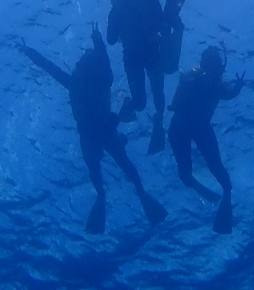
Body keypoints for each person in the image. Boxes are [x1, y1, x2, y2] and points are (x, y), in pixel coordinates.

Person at [19, 26, 168, 235]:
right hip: (106, 129)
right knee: (120, 164)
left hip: (93, 133)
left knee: (98, 167)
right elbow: (53, 66)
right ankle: (136, 193)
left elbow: (50, 67)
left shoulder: (81, 81)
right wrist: (96, 39)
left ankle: (106, 195)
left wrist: (30, 51)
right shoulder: (100, 79)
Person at [167, 46, 245, 234]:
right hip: (185, 128)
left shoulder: (210, 84)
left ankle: (223, 193)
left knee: (212, 169)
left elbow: (229, 94)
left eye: (217, 67)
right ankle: (217, 190)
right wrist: (237, 88)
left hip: (188, 128)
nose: (217, 71)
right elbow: (176, 104)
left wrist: (237, 88)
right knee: (197, 171)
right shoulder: (196, 81)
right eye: (214, 66)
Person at [107, 0, 167, 154]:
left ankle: (158, 118)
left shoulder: (143, 0)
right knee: (144, 100)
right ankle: (133, 106)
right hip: (136, 55)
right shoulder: (123, 7)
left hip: (147, 52)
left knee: (157, 93)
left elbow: (111, 39)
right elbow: (111, 38)